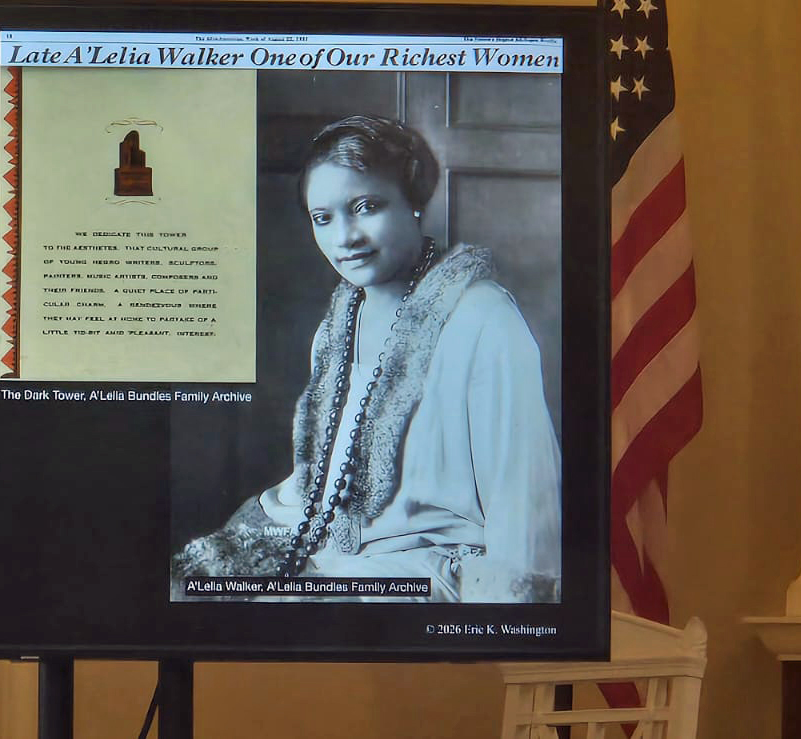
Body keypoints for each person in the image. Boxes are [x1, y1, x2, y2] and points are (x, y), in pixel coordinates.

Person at [173, 115, 561, 603]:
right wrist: (243, 535)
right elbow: (327, 478)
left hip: (439, 566)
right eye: (323, 218)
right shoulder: (337, 326)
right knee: (190, 588)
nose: (346, 237)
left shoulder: (482, 317)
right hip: (341, 559)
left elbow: (524, 496)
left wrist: (515, 618)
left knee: (285, 606)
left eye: (366, 206)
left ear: (413, 203)